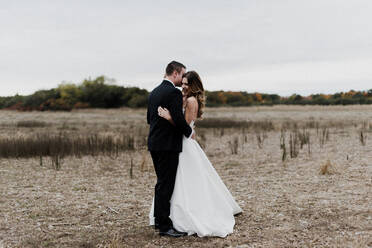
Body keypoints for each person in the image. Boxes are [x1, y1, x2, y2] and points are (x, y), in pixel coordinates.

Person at [149, 70, 242, 238]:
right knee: (171, 180)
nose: (183, 87)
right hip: (177, 142)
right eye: (182, 83)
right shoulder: (182, 97)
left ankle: (183, 215)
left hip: (184, 143)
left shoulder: (192, 100)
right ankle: (166, 217)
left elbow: (184, 125)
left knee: (184, 180)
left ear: (194, 86)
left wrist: (169, 116)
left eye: (187, 84)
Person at [147, 61, 194, 237]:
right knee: (166, 185)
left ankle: (159, 220)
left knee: (161, 184)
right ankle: (164, 226)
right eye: (182, 75)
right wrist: (190, 132)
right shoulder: (173, 92)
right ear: (175, 73)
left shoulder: (153, 92)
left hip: (154, 143)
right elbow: (178, 119)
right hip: (167, 145)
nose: (183, 79)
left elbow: (149, 119)